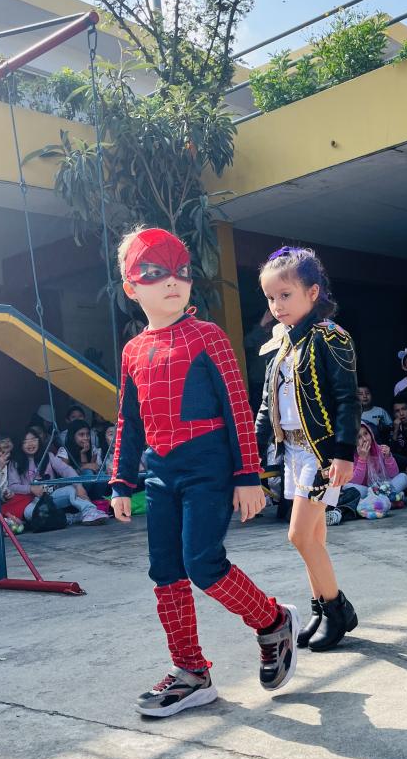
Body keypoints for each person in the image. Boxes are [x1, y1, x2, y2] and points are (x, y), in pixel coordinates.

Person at [111, 227, 298, 716]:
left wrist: (247, 475)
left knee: (203, 563)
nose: (172, 281)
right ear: (132, 287)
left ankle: (272, 621)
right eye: (155, 273)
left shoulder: (207, 336)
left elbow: (237, 407)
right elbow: (130, 420)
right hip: (160, 474)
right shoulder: (133, 351)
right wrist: (121, 481)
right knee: (165, 572)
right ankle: (191, 672)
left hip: (208, 468)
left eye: (181, 271)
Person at [257, 244, 359, 652]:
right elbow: (268, 405)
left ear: (312, 292)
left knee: (299, 535)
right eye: (271, 297)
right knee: (313, 535)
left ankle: (338, 609)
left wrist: (344, 453)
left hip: (322, 453)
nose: (277, 305)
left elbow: (348, 400)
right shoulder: (282, 344)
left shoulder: (330, 337)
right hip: (294, 453)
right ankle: (321, 608)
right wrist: (252, 451)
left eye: (285, 295)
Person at [8, 430, 107, 527]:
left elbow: (66, 470)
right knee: (29, 513)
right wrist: (31, 489)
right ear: (20, 444)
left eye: (33, 439)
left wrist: (78, 486)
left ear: (39, 441)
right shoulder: (15, 463)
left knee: (71, 490)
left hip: (52, 496)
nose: (30, 444)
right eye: (25, 441)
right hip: (33, 501)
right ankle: (70, 518)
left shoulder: (48, 456)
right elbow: (13, 486)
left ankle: (90, 511)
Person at [339, 422, 407, 521]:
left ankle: (380, 501)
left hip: (384, 487)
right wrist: (362, 459)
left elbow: (394, 474)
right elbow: (356, 481)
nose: (364, 439)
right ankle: (391, 501)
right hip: (367, 491)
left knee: (403, 477)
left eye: (366, 433)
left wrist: (388, 457)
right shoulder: (350, 456)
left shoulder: (380, 449)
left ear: (371, 434)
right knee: (348, 486)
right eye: (359, 437)